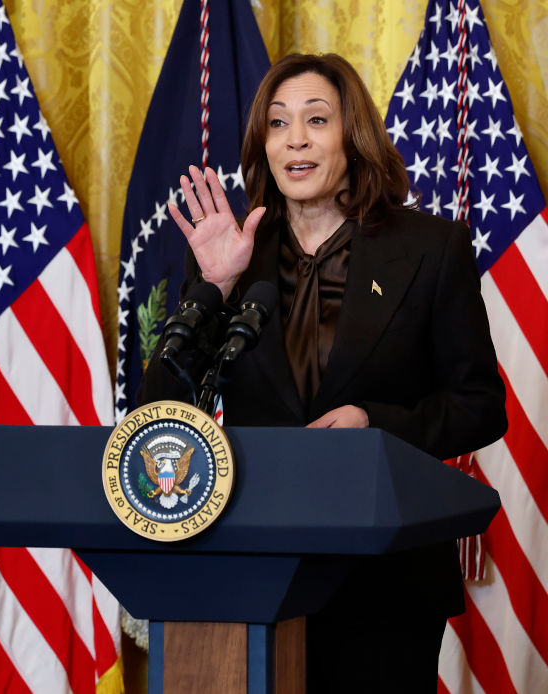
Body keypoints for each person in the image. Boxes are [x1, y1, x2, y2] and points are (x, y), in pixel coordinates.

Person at [140, 53, 507, 693]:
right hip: (253, 570)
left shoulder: (429, 248)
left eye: (316, 119)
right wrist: (212, 287)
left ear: (353, 138)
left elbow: (480, 404)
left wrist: (376, 426)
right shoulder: (233, 255)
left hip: (385, 582)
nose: (296, 139)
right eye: (278, 125)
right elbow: (156, 418)